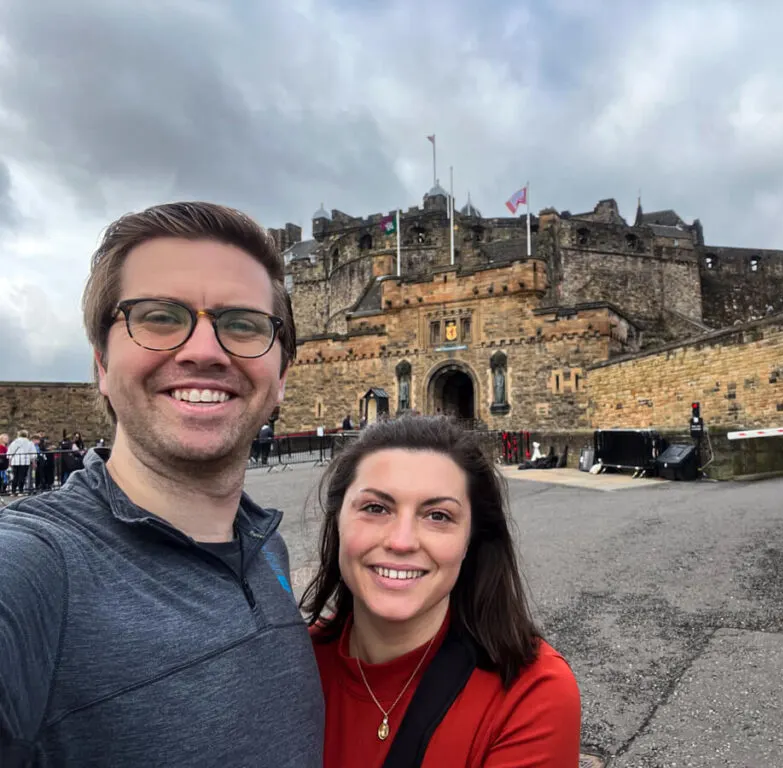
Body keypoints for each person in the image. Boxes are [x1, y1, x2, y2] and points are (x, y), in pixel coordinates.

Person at [0, 201, 324, 766]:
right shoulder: (38, 569)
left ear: (282, 379)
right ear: (101, 362)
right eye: (158, 317)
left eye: (243, 325)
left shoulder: (264, 541)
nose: (203, 350)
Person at [302, 415, 581, 767]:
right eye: (376, 508)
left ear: (471, 540)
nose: (401, 541)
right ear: (337, 520)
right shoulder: (291, 667)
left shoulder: (532, 693)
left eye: (438, 516)